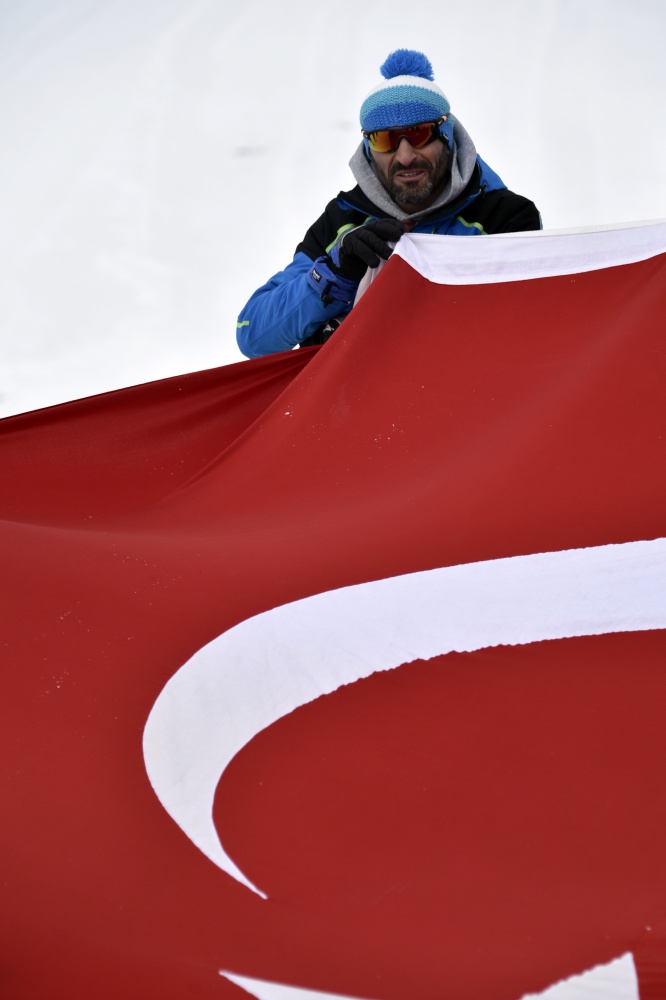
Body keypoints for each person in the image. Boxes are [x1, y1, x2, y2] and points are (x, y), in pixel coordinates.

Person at [237, 49, 541, 359]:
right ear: (368, 149)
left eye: (419, 134)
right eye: (385, 139)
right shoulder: (343, 220)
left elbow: (528, 333)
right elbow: (253, 334)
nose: (405, 156)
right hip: (358, 403)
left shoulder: (504, 218)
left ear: (446, 136)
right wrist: (334, 277)